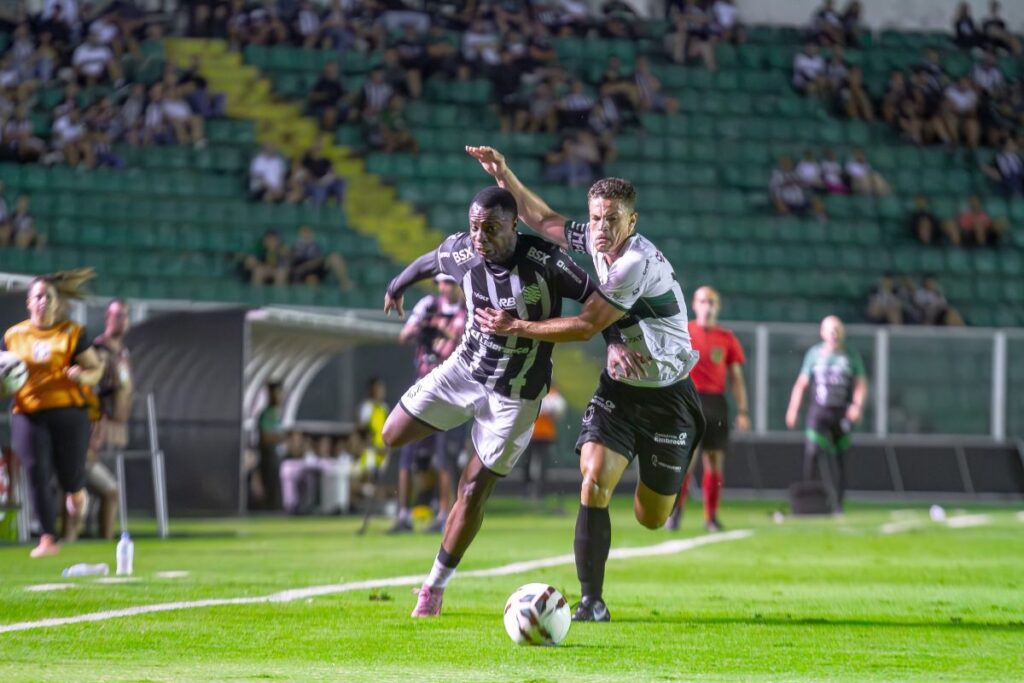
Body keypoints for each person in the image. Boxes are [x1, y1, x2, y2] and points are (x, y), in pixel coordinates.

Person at [467, 147, 705, 623]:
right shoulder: (597, 243)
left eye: (611, 219)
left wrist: (517, 326)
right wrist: (504, 173)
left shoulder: (634, 263)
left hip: (669, 396)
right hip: (620, 390)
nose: (599, 227)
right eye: (595, 217)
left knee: (652, 518)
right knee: (593, 479)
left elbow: (584, 326)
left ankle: (668, 477)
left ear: (631, 222)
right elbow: (544, 218)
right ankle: (591, 601)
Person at [380, 186, 600, 618]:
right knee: (392, 435)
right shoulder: (464, 252)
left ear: (514, 225)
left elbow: (594, 309)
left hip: (516, 397)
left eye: (491, 228)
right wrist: (397, 283)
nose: (480, 236)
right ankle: (464, 427)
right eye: (475, 227)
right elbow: (433, 260)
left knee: (473, 489)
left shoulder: (547, 261)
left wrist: (519, 327)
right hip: (463, 372)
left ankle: (433, 587)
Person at [3, 270, 105, 557]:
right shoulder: (13, 336)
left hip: (69, 412)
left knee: (69, 477)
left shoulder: (71, 333)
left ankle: (76, 491)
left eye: (49, 297)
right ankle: (48, 537)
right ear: (28, 302)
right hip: (28, 413)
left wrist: (83, 375)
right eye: (38, 296)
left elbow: (96, 369)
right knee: (36, 470)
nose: (43, 302)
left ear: (57, 303)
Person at [389, 275, 467, 534]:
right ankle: (403, 515)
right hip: (422, 386)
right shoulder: (428, 306)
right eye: (441, 283)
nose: (445, 287)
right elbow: (404, 336)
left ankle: (445, 515)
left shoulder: (469, 311)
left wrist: (443, 332)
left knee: (445, 457)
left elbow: (465, 346)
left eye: (449, 282)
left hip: (450, 391)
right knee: (407, 455)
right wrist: (422, 327)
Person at [667, 286, 748, 532]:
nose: (707, 306)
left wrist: (743, 410)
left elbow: (736, 377)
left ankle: (711, 517)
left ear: (718, 306)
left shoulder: (727, 338)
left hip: (716, 403)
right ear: (694, 304)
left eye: (712, 301)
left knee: (714, 461)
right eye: (703, 301)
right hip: (689, 400)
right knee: (686, 461)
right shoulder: (684, 332)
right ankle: (675, 513)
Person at [784, 316, 867, 512]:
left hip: (841, 413)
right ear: (822, 333)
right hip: (819, 412)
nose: (834, 333)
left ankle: (838, 504)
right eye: (830, 330)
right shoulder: (814, 354)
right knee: (812, 453)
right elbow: (802, 383)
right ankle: (811, 502)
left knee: (840, 459)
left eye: (837, 329)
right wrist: (793, 408)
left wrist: (856, 406)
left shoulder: (850, 355)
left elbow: (860, 384)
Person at [80, 299, 132, 540]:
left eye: (125, 315)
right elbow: (94, 392)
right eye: (117, 315)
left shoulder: (123, 354)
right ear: (106, 318)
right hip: (96, 427)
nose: (121, 320)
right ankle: (88, 537)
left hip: (115, 429)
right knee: (102, 488)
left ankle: (99, 537)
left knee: (108, 489)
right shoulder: (99, 351)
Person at [522, 384, 567, 500]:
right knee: (527, 462)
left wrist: (544, 407)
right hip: (530, 434)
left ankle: (541, 491)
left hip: (546, 436)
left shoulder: (552, 393)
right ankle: (528, 488)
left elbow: (557, 409)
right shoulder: (533, 389)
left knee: (543, 464)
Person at [255, 381, 285, 510]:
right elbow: (265, 439)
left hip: (277, 457)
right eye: (277, 393)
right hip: (269, 458)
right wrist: (282, 437)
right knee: (271, 491)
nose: (281, 397)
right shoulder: (266, 414)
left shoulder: (278, 414)